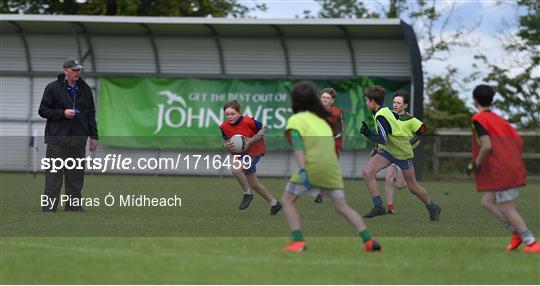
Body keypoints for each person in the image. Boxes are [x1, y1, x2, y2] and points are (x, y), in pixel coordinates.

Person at [281, 81, 380, 252]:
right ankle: (369, 240)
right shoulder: (322, 121)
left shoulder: (296, 120)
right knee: (342, 207)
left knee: (287, 201)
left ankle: (298, 242)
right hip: (332, 168)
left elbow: (298, 148)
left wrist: (303, 170)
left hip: (312, 166)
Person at [469, 84, 539, 253]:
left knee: (507, 208)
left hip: (501, 169)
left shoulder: (479, 119)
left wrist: (476, 164)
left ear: (475, 100)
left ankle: (531, 242)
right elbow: (516, 142)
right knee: (487, 202)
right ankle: (516, 233)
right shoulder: (498, 119)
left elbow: (487, 146)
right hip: (507, 165)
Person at [360, 86, 440, 220]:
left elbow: (384, 139)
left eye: (367, 100)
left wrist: (368, 134)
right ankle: (379, 206)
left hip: (402, 153)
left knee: (413, 187)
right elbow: (395, 119)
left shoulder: (381, 115)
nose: (366, 103)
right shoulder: (384, 110)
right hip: (388, 151)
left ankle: (433, 208)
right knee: (367, 172)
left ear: (373, 101)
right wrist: (377, 147)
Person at [39, 57, 98, 212]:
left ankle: (73, 207)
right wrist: (62, 113)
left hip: (78, 139)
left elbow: (91, 114)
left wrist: (93, 136)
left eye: (79, 70)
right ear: (66, 70)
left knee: (76, 175)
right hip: (57, 139)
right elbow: (43, 111)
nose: (77, 73)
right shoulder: (52, 88)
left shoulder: (85, 90)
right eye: (74, 70)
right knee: (54, 174)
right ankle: (49, 207)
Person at [219, 100, 282, 215]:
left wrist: (252, 140)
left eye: (232, 113)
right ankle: (274, 203)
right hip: (242, 155)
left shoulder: (248, 121)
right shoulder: (224, 127)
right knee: (254, 184)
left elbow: (265, 128)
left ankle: (247, 194)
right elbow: (224, 142)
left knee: (236, 169)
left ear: (239, 113)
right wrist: (226, 145)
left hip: (254, 151)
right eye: (227, 114)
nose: (229, 116)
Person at [378, 91, 427, 214]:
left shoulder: (410, 119)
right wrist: (377, 148)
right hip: (390, 153)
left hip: (403, 155)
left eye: (398, 103)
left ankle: (411, 182)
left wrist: (410, 143)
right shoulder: (388, 117)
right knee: (388, 178)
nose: (395, 105)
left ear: (405, 105)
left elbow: (423, 130)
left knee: (400, 185)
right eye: (394, 102)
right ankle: (390, 207)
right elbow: (384, 134)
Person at [314, 87, 344, 203]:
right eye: (323, 97)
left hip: (334, 142)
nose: (325, 100)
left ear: (332, 101)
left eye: (328, 98)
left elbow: (340, 128)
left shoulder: (337, 112)